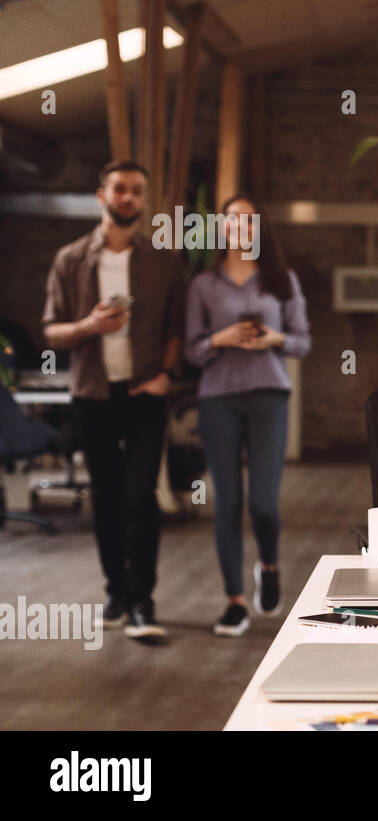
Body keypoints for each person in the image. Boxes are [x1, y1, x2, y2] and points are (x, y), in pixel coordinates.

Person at [42, 160, 186, 641]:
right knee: (106, 496)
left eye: (137, 192)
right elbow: (53, 331)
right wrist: (90, 326)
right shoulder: (71, 259)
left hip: (145, 393)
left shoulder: (162, 260)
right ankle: (116, 593)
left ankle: (144, 600)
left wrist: (167, 375)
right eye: (120, 189)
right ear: (101, 195)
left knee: (140, 494)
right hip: (93, 394)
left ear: (144, 201)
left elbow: (175, 329)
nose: (128, 198)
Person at [185, 195, 311, 636]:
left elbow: (302, 342)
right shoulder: (203, 285)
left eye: (248, 220)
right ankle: (235, 600)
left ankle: (269, 565)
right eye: (231, 220)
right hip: (217, 397)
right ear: (221, 228)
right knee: (228, 502)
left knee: (262, 500)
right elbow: (192, 351)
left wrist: (273, 337)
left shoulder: (282, 280)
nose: (239, 226)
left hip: (268, 395)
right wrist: (219, 339)